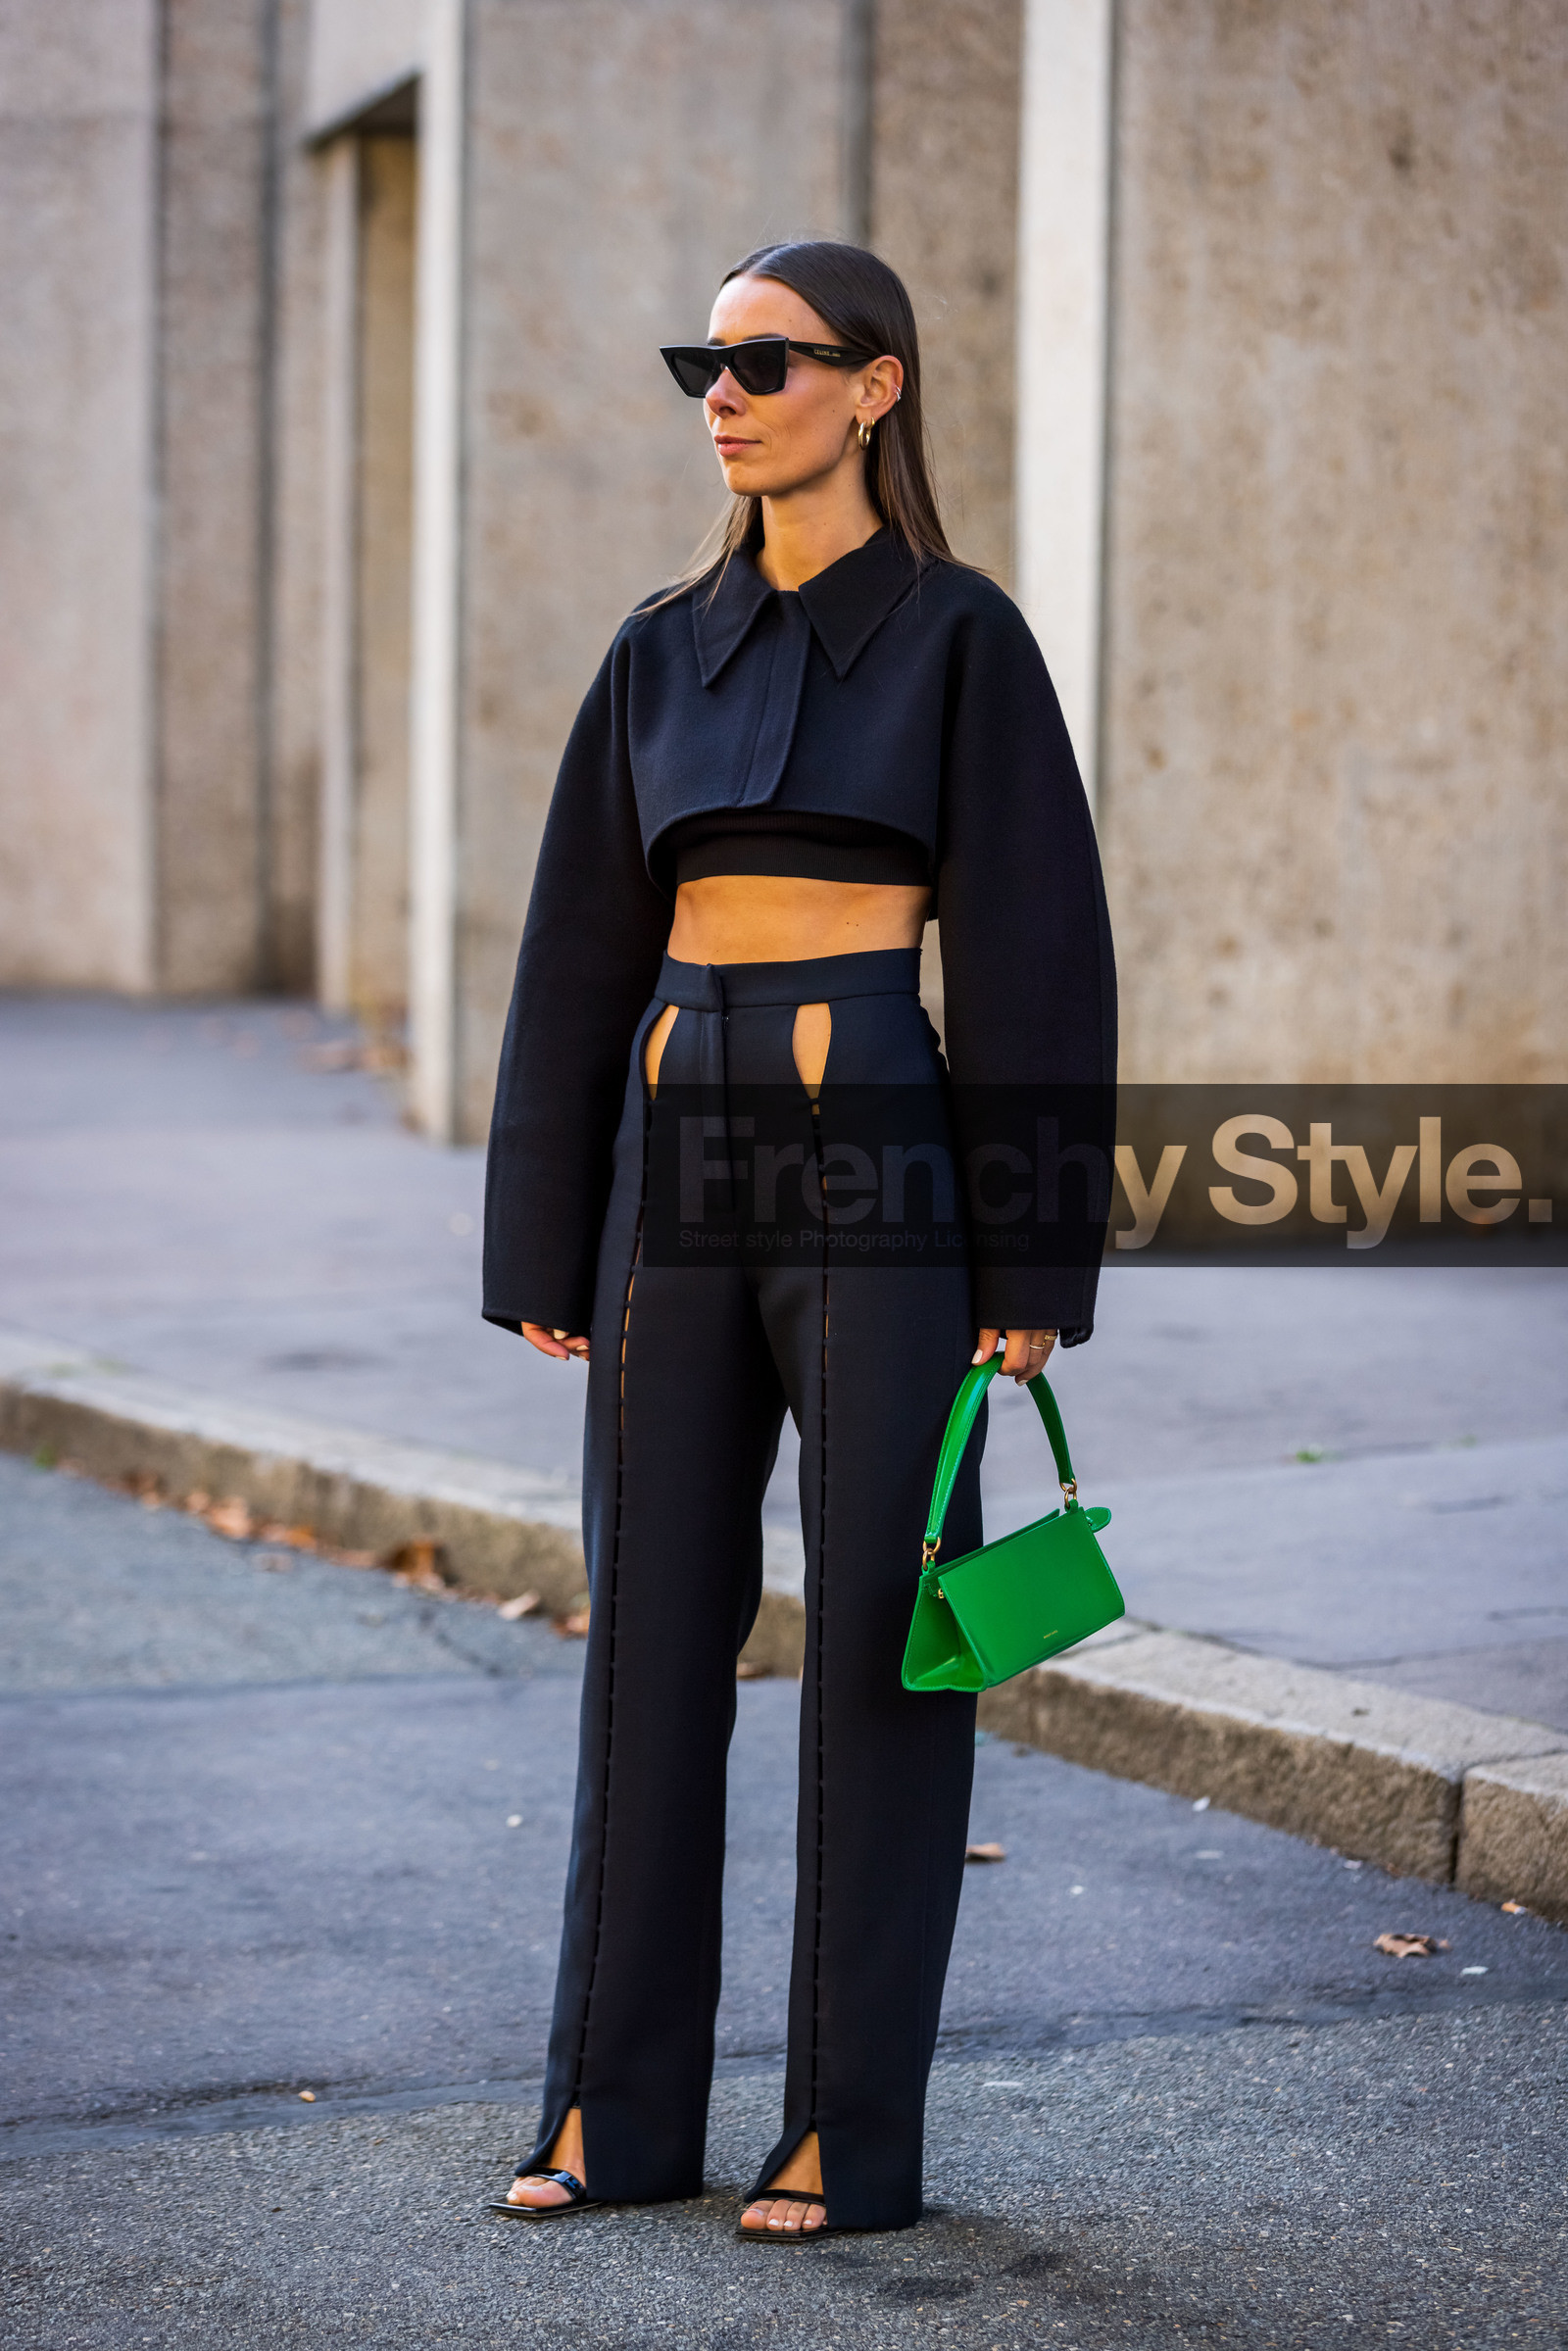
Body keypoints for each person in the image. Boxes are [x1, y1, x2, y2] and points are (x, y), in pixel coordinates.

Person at [481, 239, 1115, 2239]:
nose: (724, 392)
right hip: (670, 1162)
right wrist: (536, 1240)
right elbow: (576, 949)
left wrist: (1030, 1278)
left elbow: (1031, 953)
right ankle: (611, 2107)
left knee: (873, 1653)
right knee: (645, 1638)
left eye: (766, 360)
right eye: (707, 360)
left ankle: (846, 2129)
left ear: (877, 387)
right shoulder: (654, 648)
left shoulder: (957, 638)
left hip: (883, 1165)